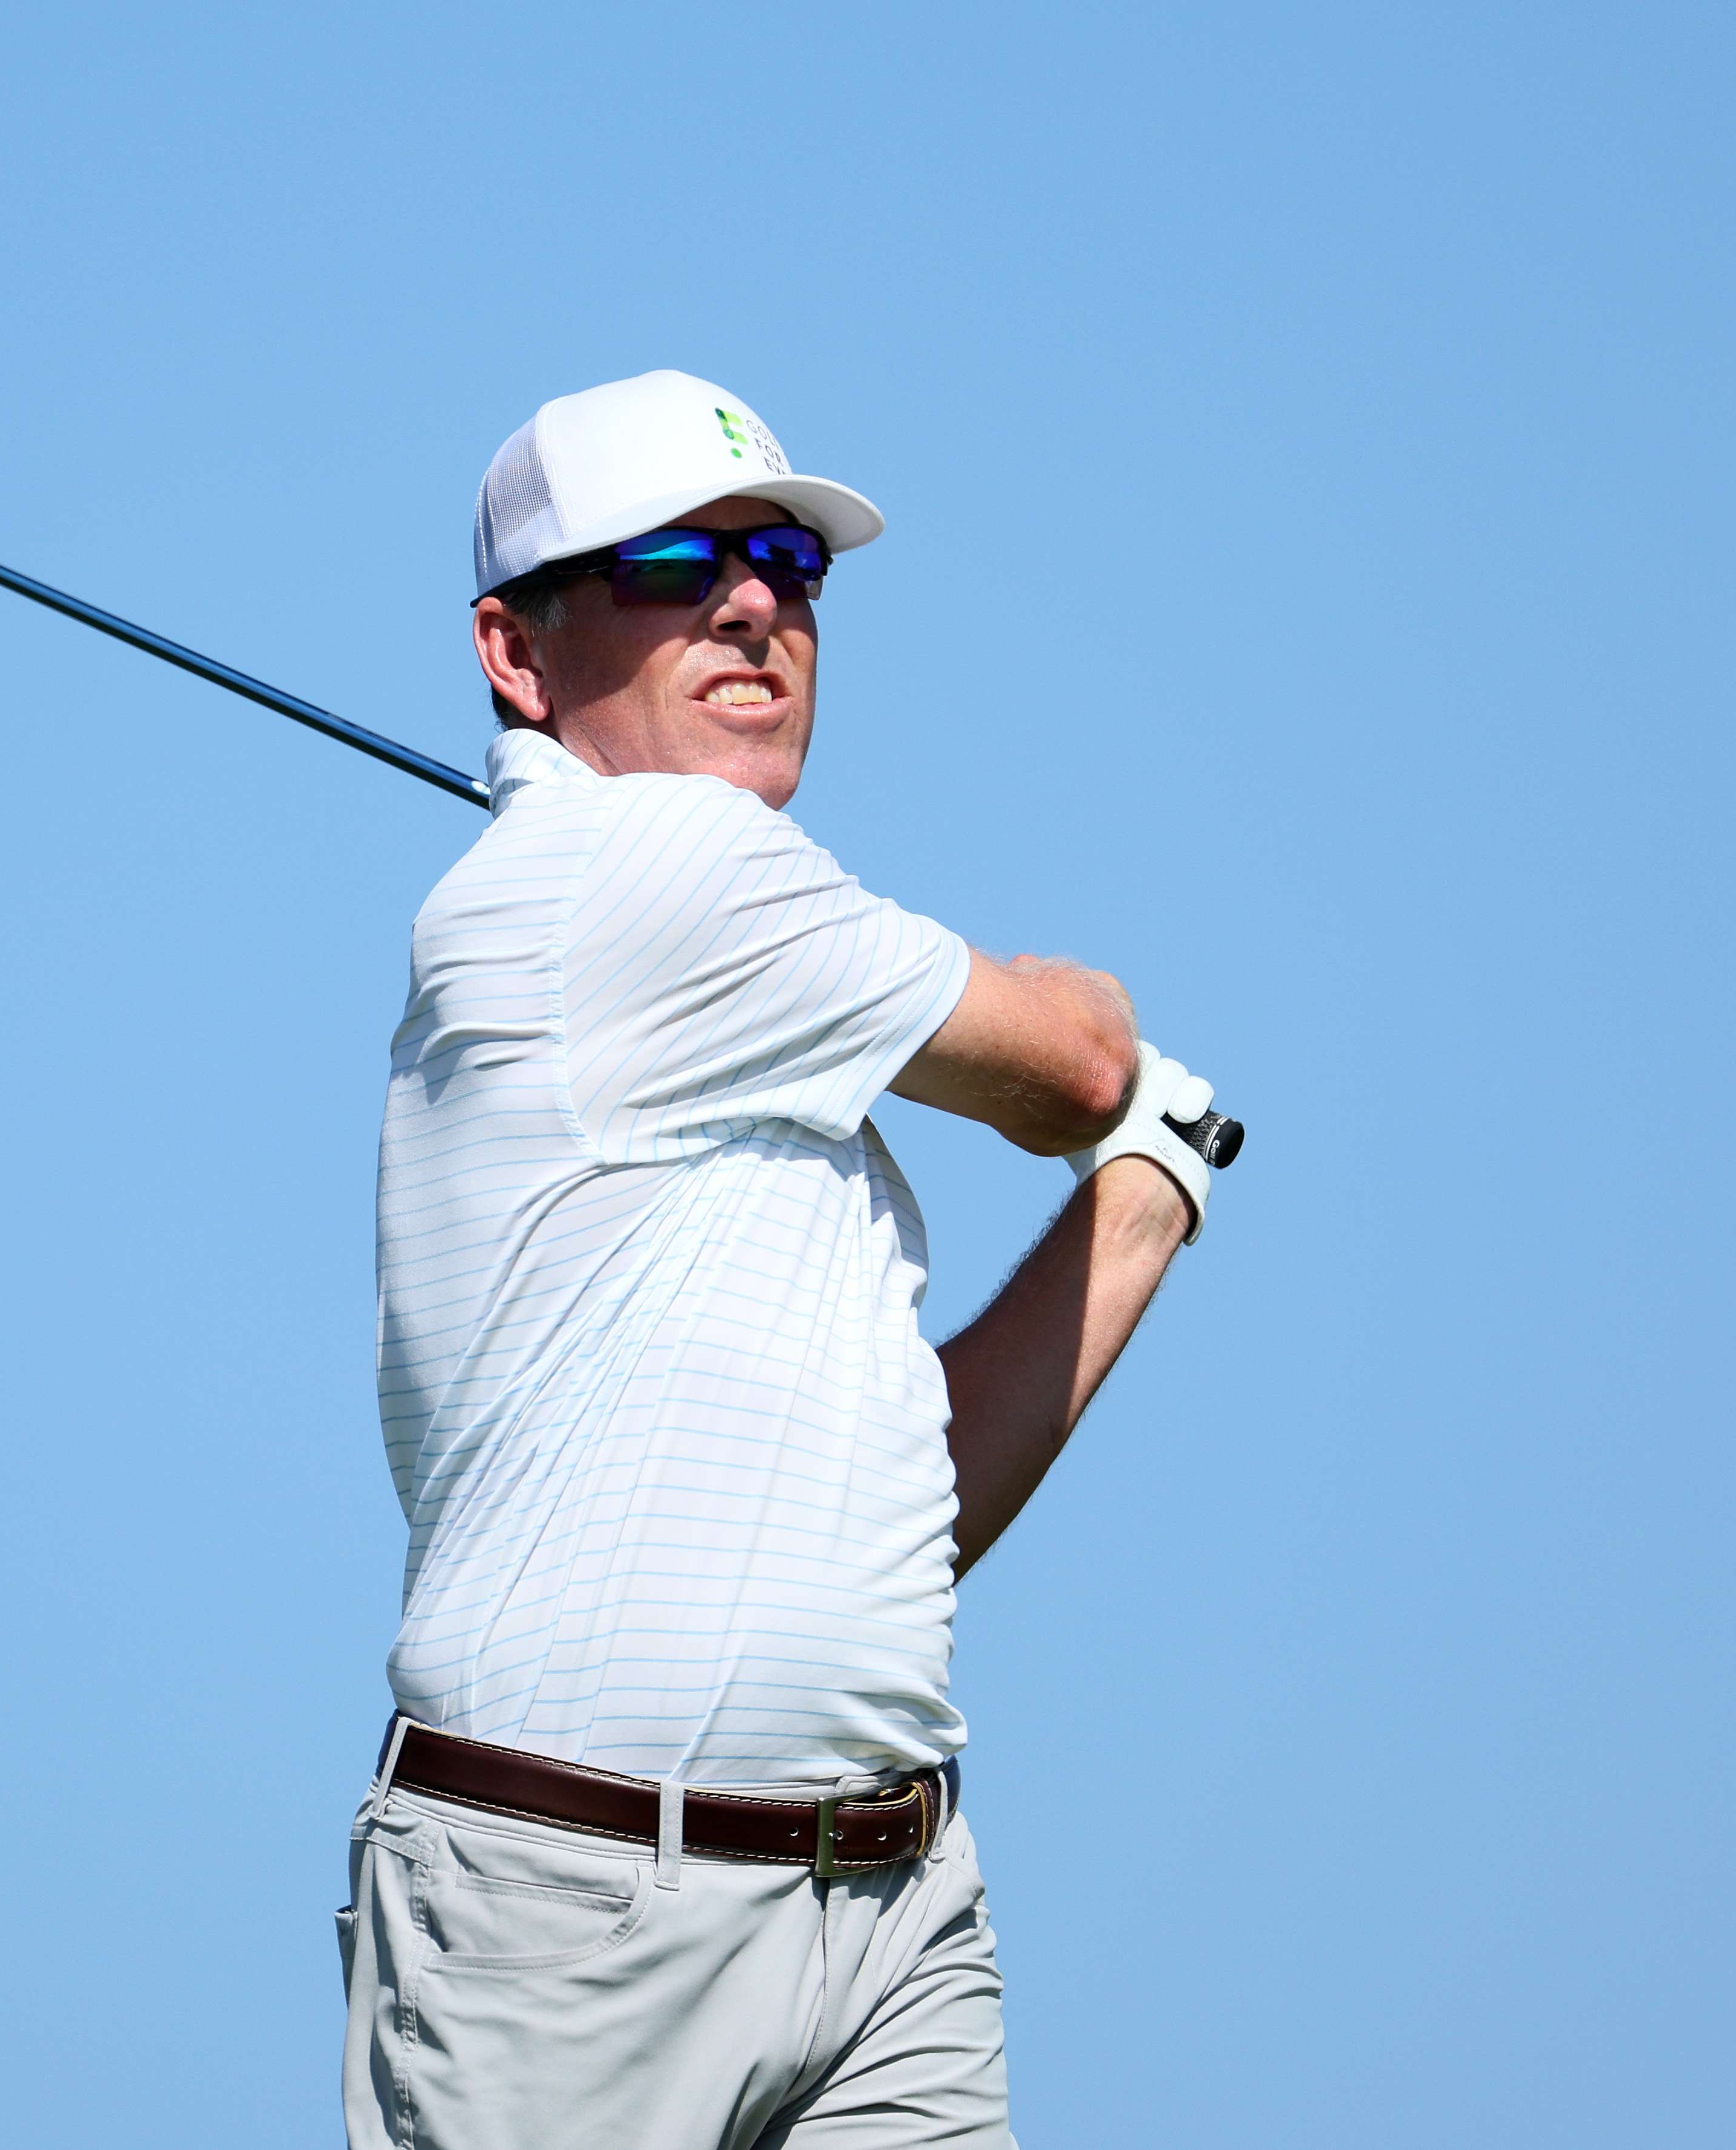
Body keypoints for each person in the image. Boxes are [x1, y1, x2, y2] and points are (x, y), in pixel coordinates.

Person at [342, 370, 1224, 2150]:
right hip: (574, 1915)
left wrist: (1152, 1196)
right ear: (518, 655)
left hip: (895, 1906)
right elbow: (1075, 1056)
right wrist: (1127, 1088)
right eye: (674, 558)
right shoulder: (643, 878)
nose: (754, 600)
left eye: (787, 563)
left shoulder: (764, 1050)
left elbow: (921, 1517)